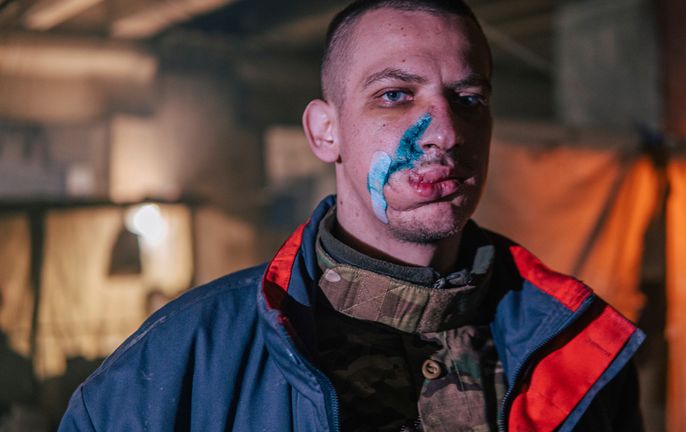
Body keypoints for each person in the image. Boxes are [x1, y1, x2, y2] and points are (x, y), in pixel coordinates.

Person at [59, 0, 644, 430]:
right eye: (395, 95)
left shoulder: (576, 345)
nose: (444, 131)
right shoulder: (185, 357)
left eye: (470, 100)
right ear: (325, 131)